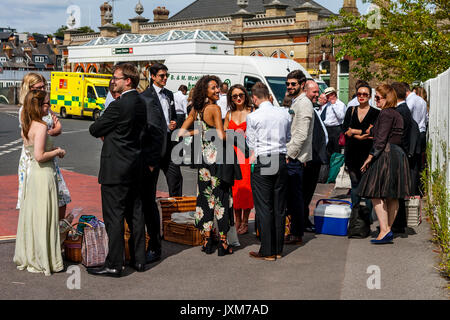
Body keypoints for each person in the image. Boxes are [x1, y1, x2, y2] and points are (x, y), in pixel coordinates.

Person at [88, 63, 148, 277]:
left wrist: (109, 129)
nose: (114, 81)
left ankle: (114, 263)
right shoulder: (141, 102)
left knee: (114, 217)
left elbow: (95, 128)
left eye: (116, 78)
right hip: (135, 166)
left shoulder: (118, 105)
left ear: (128, 81)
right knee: (135, 214)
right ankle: (139, 259)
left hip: (115, 168)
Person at [178, 75, 234, 256]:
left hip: (203, 161)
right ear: (205, 91)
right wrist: (233, 134)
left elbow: (181, 132)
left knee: (205, 198)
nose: (218, 90)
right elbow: (221, 135)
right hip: (217, 160)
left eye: (218, 87)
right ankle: (223, 243)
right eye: (214, 88)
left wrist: (200, 130)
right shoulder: (215, 109)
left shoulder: (197, 109)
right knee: (221, 199)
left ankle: (207, 240)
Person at [14, 90, 66, 276]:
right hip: (43, 174)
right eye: (46, 104)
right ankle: (45, 258)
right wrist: (58, 151)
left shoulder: (27, 125)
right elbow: (40, 156)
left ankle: (33, 254)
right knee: (46, 216)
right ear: (37, 105)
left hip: (32, 176)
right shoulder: (41, 126)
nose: (49, 107)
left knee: (34, 216)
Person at [358, 84, 411, 244]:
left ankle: (385, 229)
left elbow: (381, 139)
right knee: (392, 195)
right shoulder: (395, 113)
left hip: (387, 154)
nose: (375, 100)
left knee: (376, 192)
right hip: (397, 154)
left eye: (378, 97)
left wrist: (370, 156)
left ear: (386, 98)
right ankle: (386, 229)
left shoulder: (387, 113)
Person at [17, 73, 71, 222]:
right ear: (30, 89)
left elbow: (58, 126)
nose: (43, 89)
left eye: (44, 86)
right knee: (38, 200)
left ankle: (55, 233)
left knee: (61, 198)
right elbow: (31, 132)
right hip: (35, 156)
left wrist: (52, 130)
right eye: (39, 87)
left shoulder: (45, 106)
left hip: (49, 155)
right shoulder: (25, 110)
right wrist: (48, 131)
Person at [246, 82, 291, 261]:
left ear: (255, 98)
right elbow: (288, 137)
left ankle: (268, 250)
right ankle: (278, 249)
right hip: (280, 158)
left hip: (264, 159)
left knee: (264, 207)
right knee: (279, 207)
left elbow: (251, 142)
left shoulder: (253, 116)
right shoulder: (284, 113)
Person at [141, 63, 183, 197]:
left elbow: (174, 116)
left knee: (176, 179)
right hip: (153, 147)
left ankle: (175, 212)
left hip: (169, 145)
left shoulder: (169, 94)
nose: (165, 78)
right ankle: (149, 212)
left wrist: (174, 122)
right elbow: (145, 123)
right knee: (150, 183)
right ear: (153, 76)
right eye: (162, 76)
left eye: (167, 75)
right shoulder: (145, 97)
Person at [284, 70, 313, 245]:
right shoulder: (297, 101)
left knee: (295, 198)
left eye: (293, 84)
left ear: (302, 84)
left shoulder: (304, 104)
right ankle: (293, 231)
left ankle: (296, 233)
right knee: (293, 197)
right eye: (288, 84)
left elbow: (301, 134)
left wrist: (290, 155)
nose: (290, 87)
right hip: (293, 156)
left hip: (295, 158)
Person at [342, 83, 379, 210]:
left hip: (367, 153)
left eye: (365, 94)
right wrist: (360, 133)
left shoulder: (375, 113)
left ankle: (367, 219)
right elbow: (345, 129)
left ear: (369, 96)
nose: (361, 96)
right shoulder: (351, 110)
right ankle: (355, 216)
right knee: (355, 184)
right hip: (352, 152)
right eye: (359, 94)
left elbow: (373, 132)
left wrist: (354, 132)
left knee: (367, 185)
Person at [223, 84, 254, 235]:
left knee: (246, 188)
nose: (238, 98)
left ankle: (245, 221)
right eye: (234, 96)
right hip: (232, 154)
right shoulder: (229, 114)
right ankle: (236, 220)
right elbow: (223, 133)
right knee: (234, 188)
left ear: (245, 95)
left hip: (247, 154)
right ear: (231, 98)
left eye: (241, 95)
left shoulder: (252, 111)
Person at [391, 82, 419, 233]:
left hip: (399, 153)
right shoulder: (404, 109)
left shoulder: (400, 111)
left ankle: (398, 223)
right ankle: (398, 222)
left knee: (397, 192)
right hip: (404, 152)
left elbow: (400, 136)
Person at [302, 80, 328, 232]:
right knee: (304, 192)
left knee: (308, 192)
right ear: (305, 91)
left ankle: (304, 219)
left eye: (318, 92)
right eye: (314, 92)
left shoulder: (313, 108)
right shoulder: (306, 108)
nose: (317, 95)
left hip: (316, 157)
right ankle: (302, 220)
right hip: (309, 158)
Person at [404, 82, 428, 196]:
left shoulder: (410, 101)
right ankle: (418, 189)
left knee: (412, 164)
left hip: (414, 134)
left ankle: (412, 191)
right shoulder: (422, 101)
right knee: (418, 163)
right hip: (422, 132)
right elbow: (426, 118)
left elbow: (406, 116)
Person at [320, 87, 346, 158]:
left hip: (336, 130)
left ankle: (335, 165)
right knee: (327, 150)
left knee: (336, 150)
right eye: (327, 95)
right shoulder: (327, 105)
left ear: (333, 94)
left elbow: (341, 116)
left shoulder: (340, 104)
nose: (327, 97)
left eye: (329, 95)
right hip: (327, 129)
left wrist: (334, 105)